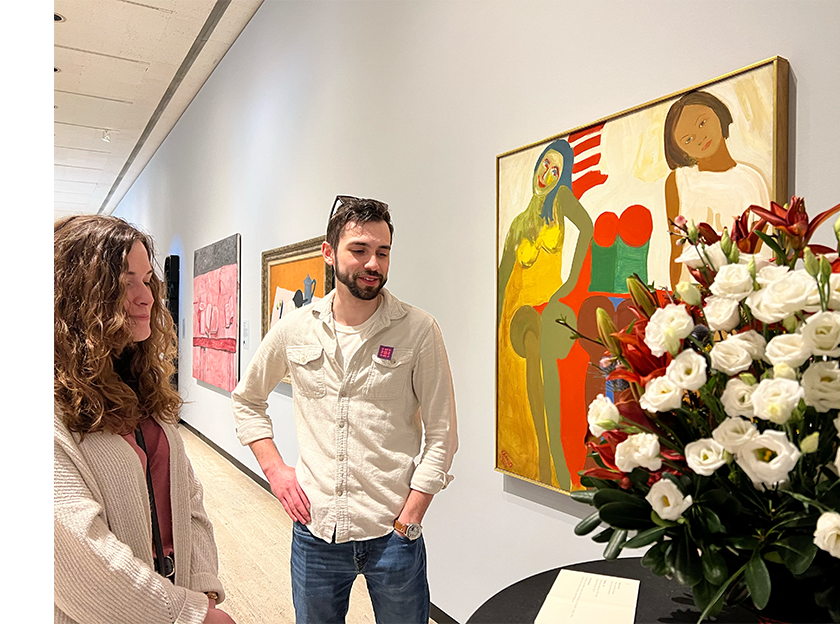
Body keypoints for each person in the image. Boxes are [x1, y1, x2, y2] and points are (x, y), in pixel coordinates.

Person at [232, 197, 458, 624]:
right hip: (316, 532)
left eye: (383, 252)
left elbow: (443, 432)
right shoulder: (294, 328)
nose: (373, 263)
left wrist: (412, 516)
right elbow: (247, 400)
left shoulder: (418, 330)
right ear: (329, 252)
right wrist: (277, 472)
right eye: (359, 250)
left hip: (393, 532)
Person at [54, 215, 235, 624]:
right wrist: (186, 615)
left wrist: (201, 585)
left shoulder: (140, 383)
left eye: (148, 279)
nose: (146, 297)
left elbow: (188, 496)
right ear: (77, 295)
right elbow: (79, 554)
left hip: (175, 592)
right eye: (124, 282)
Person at [496, 139, 592, 489]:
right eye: (545, 166)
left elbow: (588, 228)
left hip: (550, 304)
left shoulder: (561, 203)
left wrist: (568, 284)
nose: (547, 175)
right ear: (536, 166)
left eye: (556, 171)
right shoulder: (519, 223)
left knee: (547, 356)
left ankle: (554, 462)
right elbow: (504, 275)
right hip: (521, 311)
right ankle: (544, 459)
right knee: (534, 342)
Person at [663, 90, 770, 285]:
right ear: (680, 150)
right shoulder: (679, 180)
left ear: (719, 114)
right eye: (688, 139)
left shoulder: (752, 180)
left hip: (739, 289)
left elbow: (758, 248)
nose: (700, 138)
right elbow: (676, 249)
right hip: (693, 293)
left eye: (703, 123)